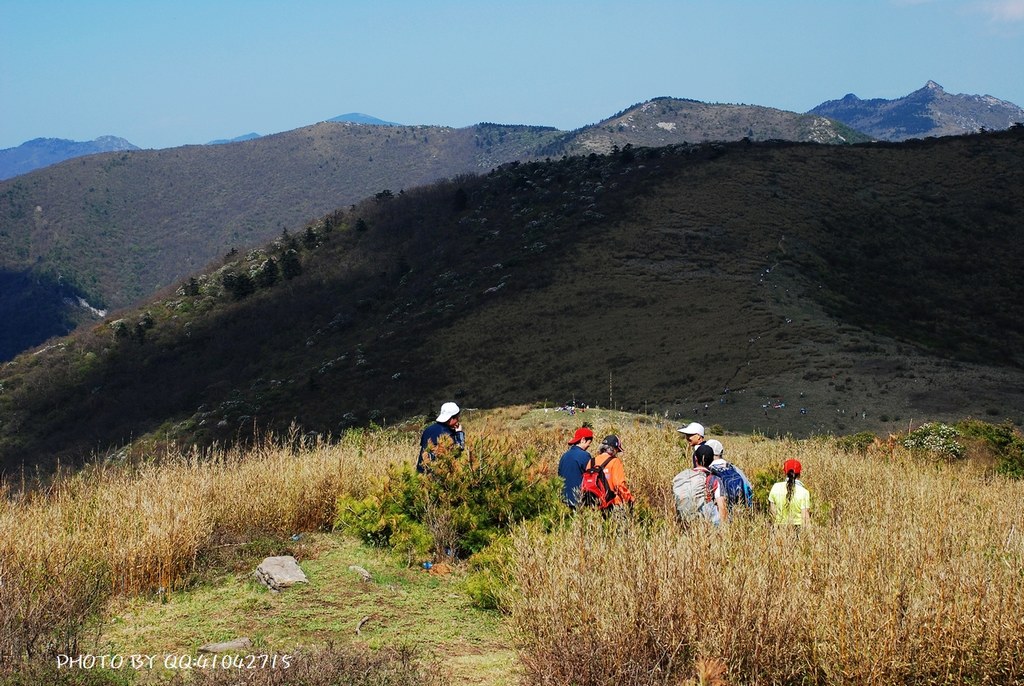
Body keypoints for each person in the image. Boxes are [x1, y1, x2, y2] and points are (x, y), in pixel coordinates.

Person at [672, 445, 728, 525]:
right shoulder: (714, 479)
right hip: (705, 522)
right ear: (712, 460)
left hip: (684, 520)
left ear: (695, 459)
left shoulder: (682, 476)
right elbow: (722, 507)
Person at [583, 435, 635, 511]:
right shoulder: (615, 461)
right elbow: (619, 485)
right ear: (613, 449)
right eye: (617, 450)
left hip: (594, 505)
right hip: (612, 504)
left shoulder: (591, 461)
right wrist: (630, 499)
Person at [416, 401, 465, 473]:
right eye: (457, 418)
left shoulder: (428, 430)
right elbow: (457, 452)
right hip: (437, 476)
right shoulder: (448, 434)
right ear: (450, 419)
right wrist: (459, 433)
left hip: (421, 472)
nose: (458, 420)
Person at [705, 439, 754, 511]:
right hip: (739, 511)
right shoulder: (734, 468)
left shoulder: (708, 471)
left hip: (719, 515)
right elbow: (749, 488)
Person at [557, 426, 594, 509]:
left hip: (564, 498)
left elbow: (559, 475)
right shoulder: (585, 455)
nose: (589, 446)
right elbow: (590, 477)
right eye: (589, 443)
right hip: (578, 499)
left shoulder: (564, 456)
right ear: (583, 440)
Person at [768, 459, 811, 527]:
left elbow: (772, 513)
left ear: (785, 472)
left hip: (779, 529)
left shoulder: (775, 487)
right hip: (797, 529)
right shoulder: (804, 492)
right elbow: (805, 518)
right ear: (799, 473)